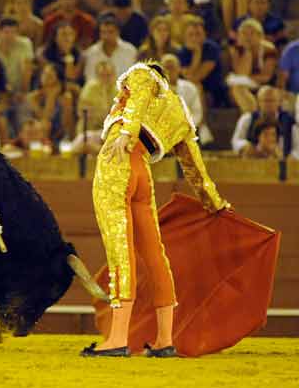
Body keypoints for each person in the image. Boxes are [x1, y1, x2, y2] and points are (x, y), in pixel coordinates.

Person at [82, 61, 229, 358]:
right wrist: (215, 204)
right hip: (143, 174)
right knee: (154, 254)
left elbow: (136, 98)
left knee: (120, 249)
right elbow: (195, 169)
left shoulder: (141, 74)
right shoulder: (179, 114)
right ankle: (164, 339)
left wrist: (126, 132)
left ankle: (118, 339)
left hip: (118, 161)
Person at [226, 18, 278, 113]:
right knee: (238, 89)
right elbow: (242, 73)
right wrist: (248, 52)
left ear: (260, 36)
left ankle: (251, 117)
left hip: (264, 86)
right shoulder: (236, 50)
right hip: (245, 86)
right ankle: (252, 116)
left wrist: (247, 78)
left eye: (252, 33)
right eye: (244, 34)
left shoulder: (269, 49)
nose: (248, 37)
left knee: (239, 88)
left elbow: (266, 77)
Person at [161, 53, 214, 145]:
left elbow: (197, 113)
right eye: (166, 67)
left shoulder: (190, 88)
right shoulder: (154, 89)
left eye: (172, 67)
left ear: (179, 69)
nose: (169, 71)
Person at [231, 86, 296, 158]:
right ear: (258, 102)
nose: (268, 104)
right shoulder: (248, 118)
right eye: (265, 100)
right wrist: (246, 146)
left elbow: (297, 148)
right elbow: (236, 141)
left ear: (279, 102)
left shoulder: (290, 121)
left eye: (272, 100)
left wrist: (287, 158)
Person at [83, 13, 137, 83]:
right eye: (103, 32)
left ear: (118, 32)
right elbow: (90, 78)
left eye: (110, 32)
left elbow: (133, 77)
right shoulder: (91, 52)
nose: (106, 36)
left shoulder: (130, 51)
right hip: (98, 92)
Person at [0, 18, 34, 95]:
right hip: (0, 91)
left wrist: (23, 93)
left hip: (21, 90)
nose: (10, 36)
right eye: (6, 32)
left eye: (13, 32)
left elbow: (27, 71)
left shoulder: (25, 44)